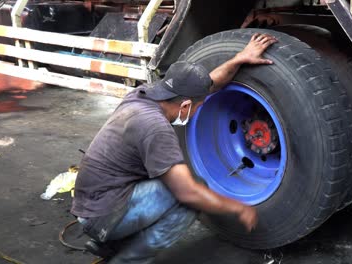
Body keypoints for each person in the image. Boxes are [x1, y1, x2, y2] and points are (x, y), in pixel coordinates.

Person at [71, 33, 277, 263]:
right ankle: (128, 259)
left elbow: (210, 83)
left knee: (171, 181)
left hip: (94, 199)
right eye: (199, 107)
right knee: (191, 196)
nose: (199, 110)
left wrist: (239, 58)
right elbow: (188, 193)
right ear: (186, 105)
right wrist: (239, 209)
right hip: (101, 214)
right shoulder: (155, 128)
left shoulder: (141, 96)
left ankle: (110, 243)